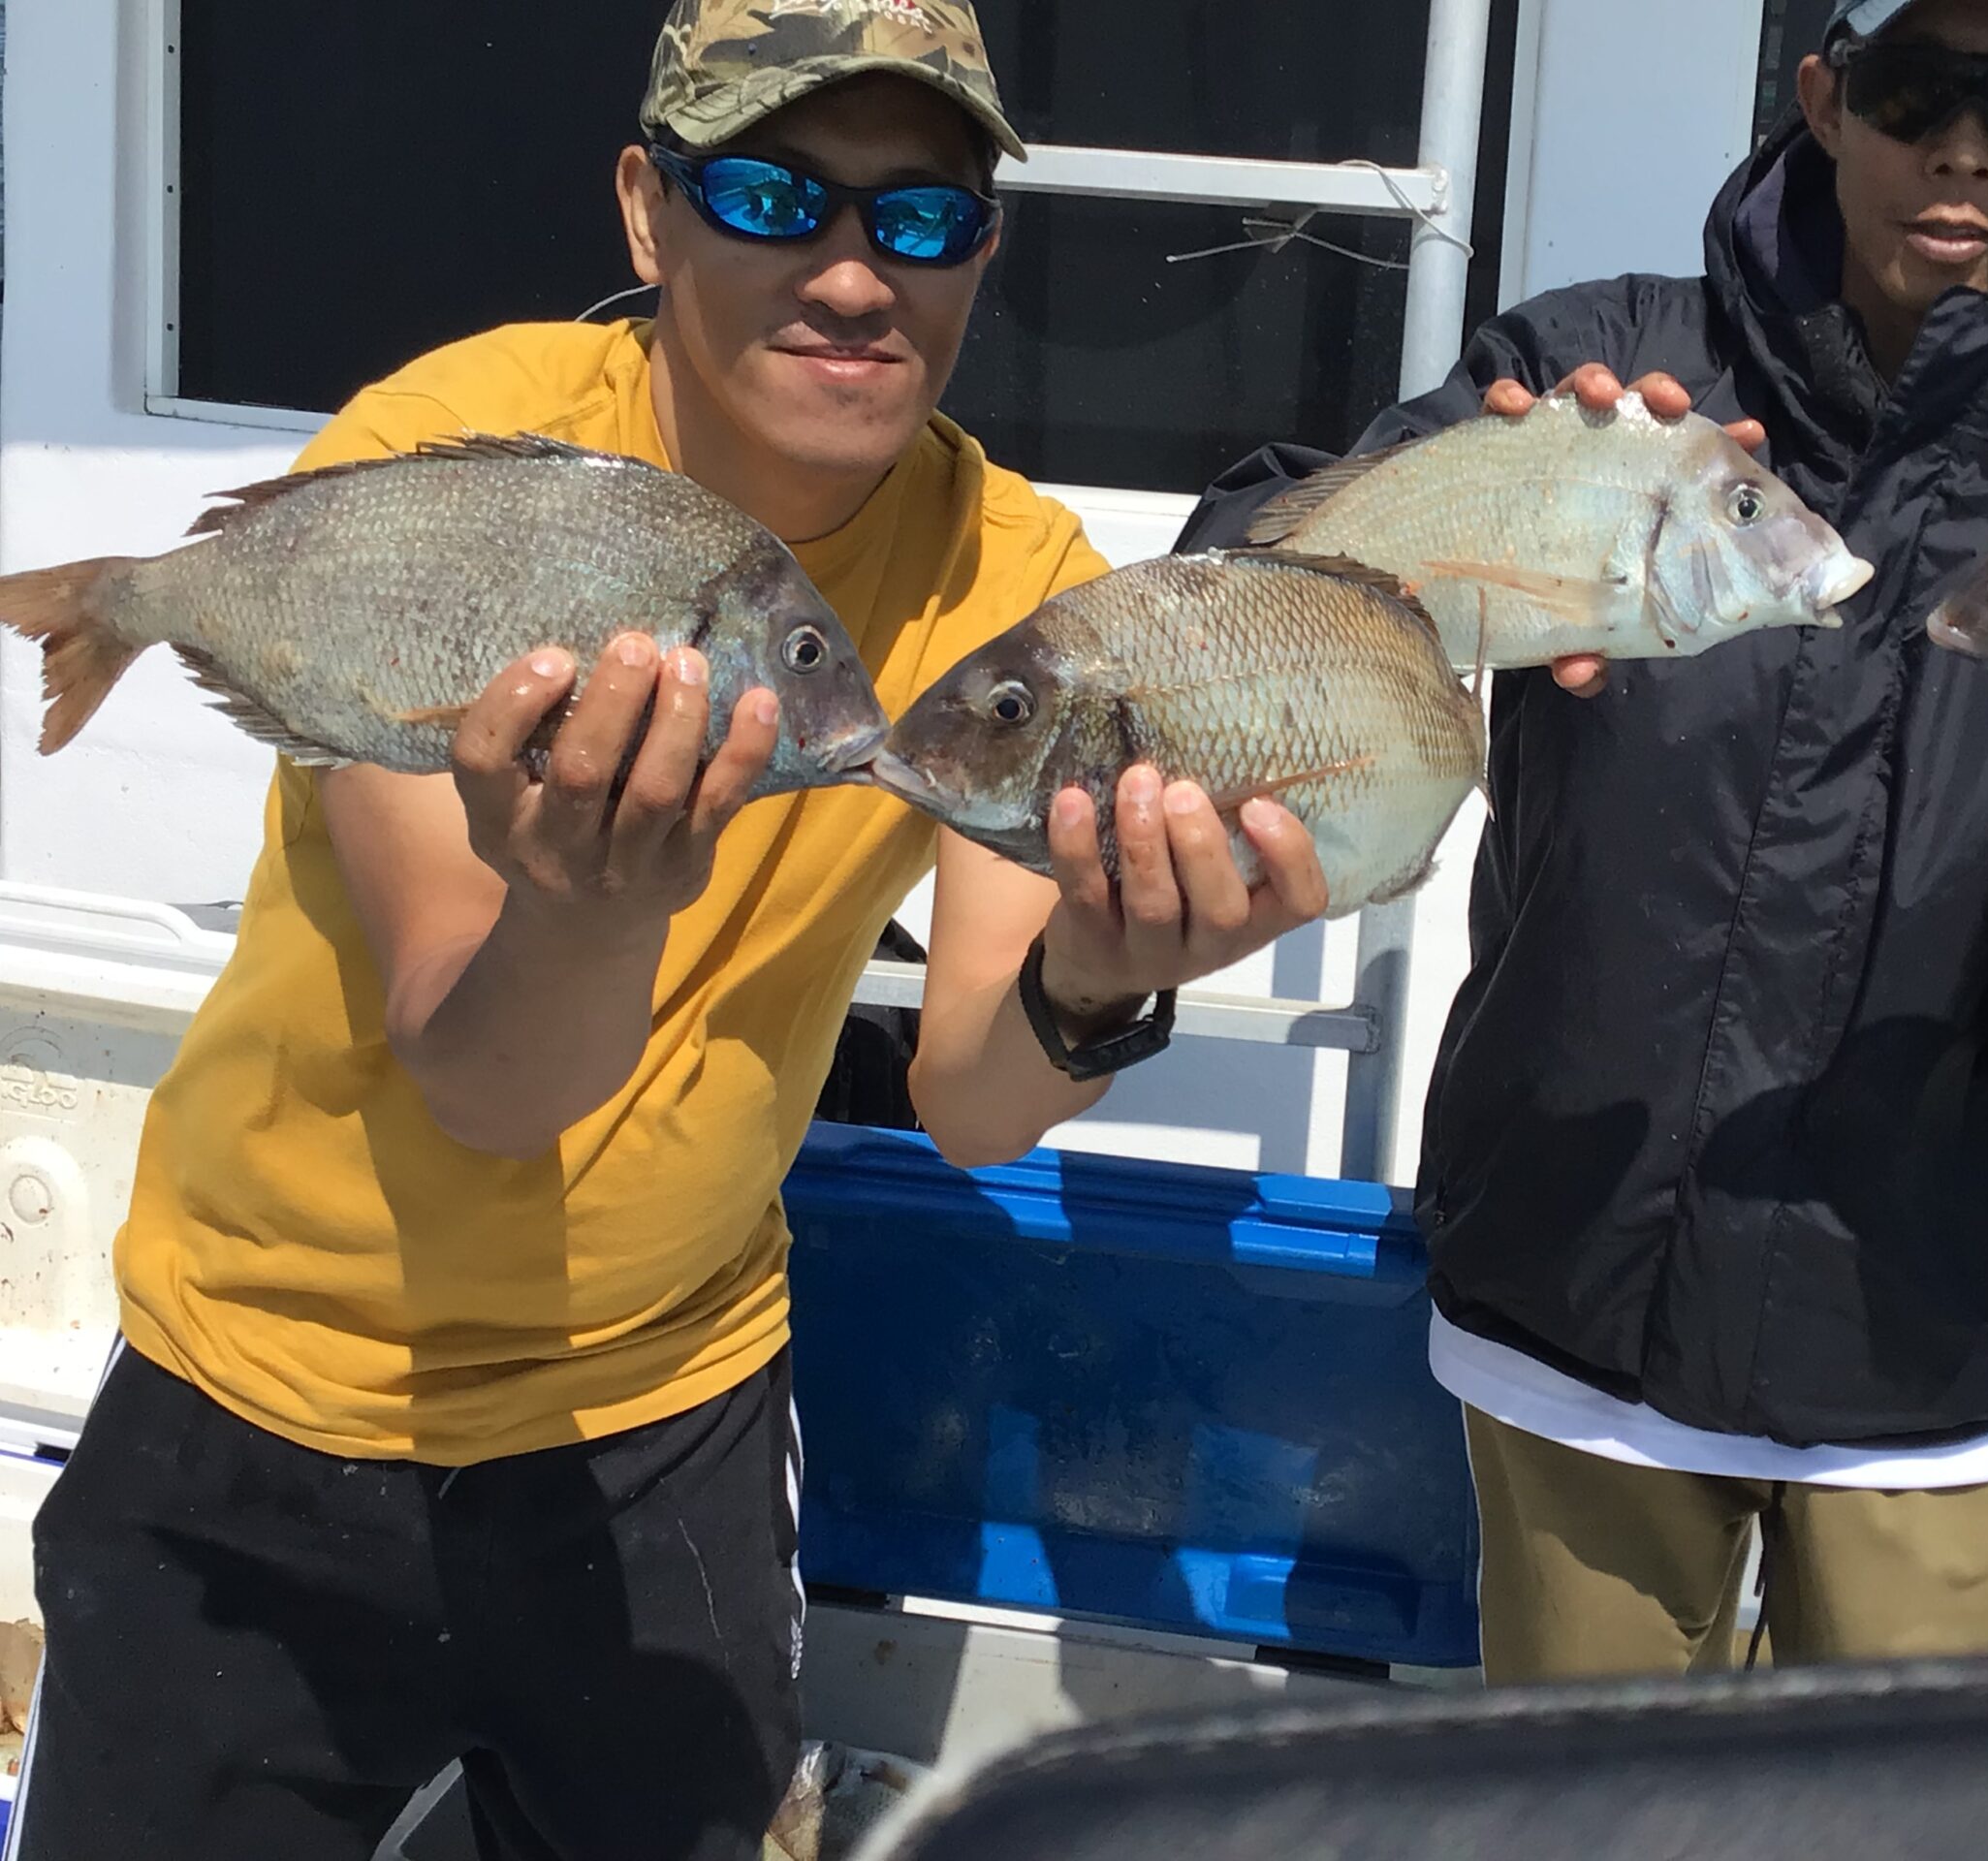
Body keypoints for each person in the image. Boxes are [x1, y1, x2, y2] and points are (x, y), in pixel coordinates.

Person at [11, 5, 1324, 1856]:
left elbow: (967, 1098)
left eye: (923, 220)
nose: (854, 275)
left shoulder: (1018, 587)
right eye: (774, 194)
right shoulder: (453, 466)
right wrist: (586, 908)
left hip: (668, 1419)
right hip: (262, 1395)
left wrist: (1109, 980)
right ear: (648, 211)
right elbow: (480, 1076)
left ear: (987, 257)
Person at [1180, 0, 1988, 1680]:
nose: (1962, 146)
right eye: (1912, 86)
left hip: (1930, 1362)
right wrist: (1470, 542)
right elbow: (1260, 576)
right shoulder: (1594, 368)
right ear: (1825, 96)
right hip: (1575, 1320)